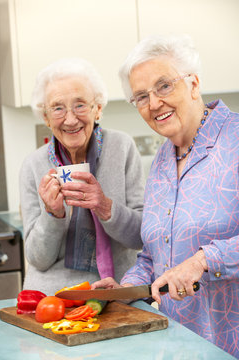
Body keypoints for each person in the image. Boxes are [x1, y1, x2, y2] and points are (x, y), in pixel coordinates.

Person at [92, 35, 239, 359]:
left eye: (163, 86)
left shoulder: (235, 140)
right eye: (141, 96)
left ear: (194, 84)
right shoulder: (161, 161)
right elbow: (155, 255)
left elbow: (194, 259)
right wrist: (126, 289)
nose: (154, 103)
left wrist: (204, 260)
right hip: (179, 346)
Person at [19, 58, 144, 296]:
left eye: (80, 105)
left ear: (98, 108)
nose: (70, 119)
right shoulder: (33, 166)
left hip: (117, 292)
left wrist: (105, 207)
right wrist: (53, 215)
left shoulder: (122, 147)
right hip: (54, 298)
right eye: (57, 108)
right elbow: (38, 258)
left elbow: (140, 236)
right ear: (45, 117)